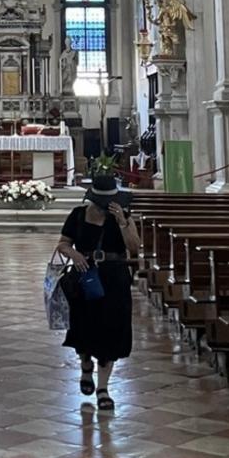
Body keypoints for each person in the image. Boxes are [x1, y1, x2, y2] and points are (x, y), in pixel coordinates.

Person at [55, 172, 141, 411]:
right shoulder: (78, 214)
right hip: (85, 277)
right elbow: (63, 243)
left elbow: (134, 247)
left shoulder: (123, 216)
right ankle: (85, 365)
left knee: (112, 329)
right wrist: (75, 254)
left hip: (115, 278)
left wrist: (122, 222)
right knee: (83, 325)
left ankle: (103, 388)